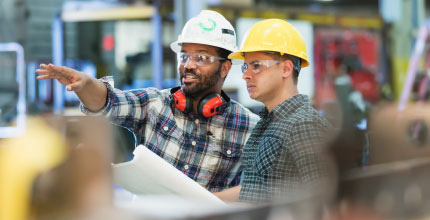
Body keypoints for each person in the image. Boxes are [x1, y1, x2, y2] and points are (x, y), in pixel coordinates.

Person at [36, 10, 259, 192]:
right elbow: (108, 101)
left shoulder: (249, 127)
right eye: (184, 56)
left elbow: (252, 193)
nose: (188, 65)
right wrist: (85, 84)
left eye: (201, 57)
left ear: (225, 67)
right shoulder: (155, 104)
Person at [215, 19, 336, 204]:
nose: (245, 75)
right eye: (246, 66)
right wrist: (202, 200)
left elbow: (326, 200)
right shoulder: (266, 124)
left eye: (256, 66)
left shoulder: (304, 126)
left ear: (286, 69)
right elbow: (254, 189)